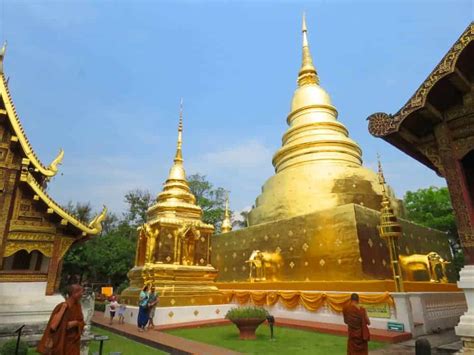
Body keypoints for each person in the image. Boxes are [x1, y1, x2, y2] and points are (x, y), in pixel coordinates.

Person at [37, 284, 85, 355]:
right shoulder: (62, 306)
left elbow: (81, 322)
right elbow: (53, 326)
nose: (82, 294)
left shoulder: (78, 306)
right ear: (74, 293)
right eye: (81, 292)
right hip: (61, 341)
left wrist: (75, 323)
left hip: (73, 343)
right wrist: (63, 309)